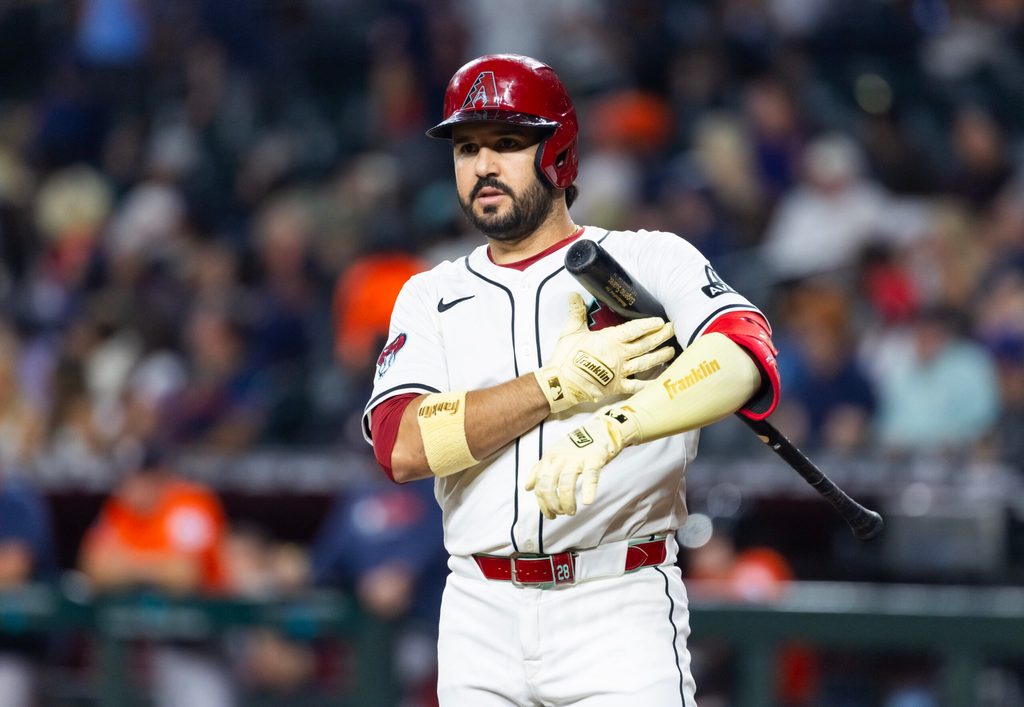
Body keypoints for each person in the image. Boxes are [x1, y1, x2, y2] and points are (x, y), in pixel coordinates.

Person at [362, 54, 781, 706]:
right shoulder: (430, 294)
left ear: (558, 152)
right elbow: (402, 446)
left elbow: (745, 357)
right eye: (467, 147)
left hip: (615, 599)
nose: (482, 166)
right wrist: (554, 387)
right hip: (480, 608)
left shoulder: (648, 258)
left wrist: (620, 424)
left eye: (507, 143)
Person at [78, 442, 235, 707]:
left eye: (140, 478)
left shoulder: (190, 503)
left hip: (207, 640)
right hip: (151, 643)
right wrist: (154, 565)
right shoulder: (122, 509)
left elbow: (184, 576)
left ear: (160, 477)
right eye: (127, 479)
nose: (129, 487)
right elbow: (93, 568)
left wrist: (126, 564)